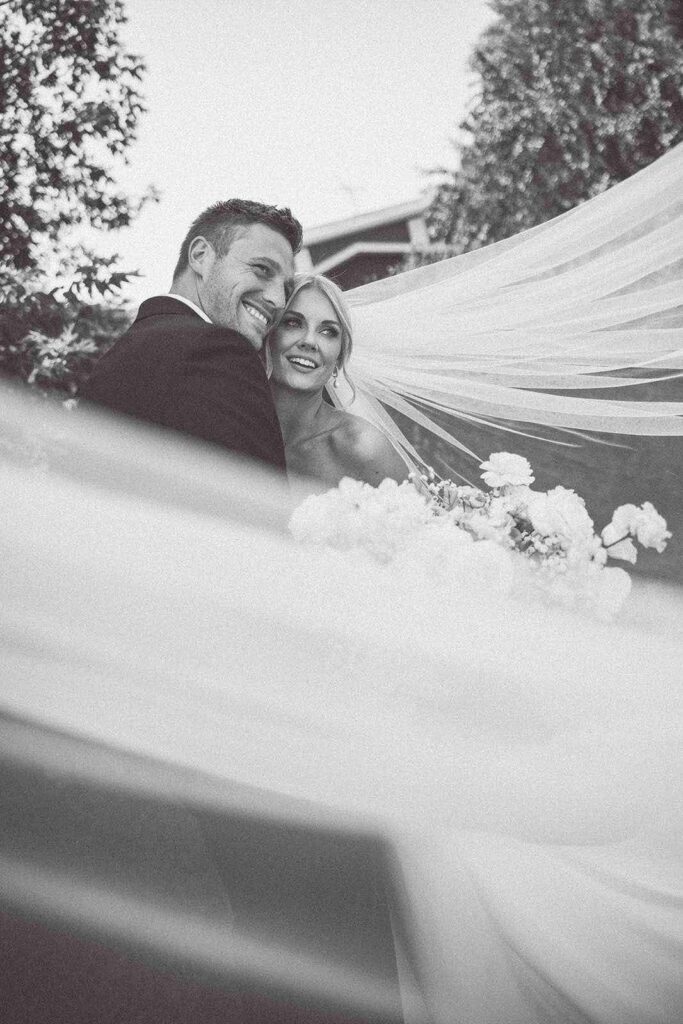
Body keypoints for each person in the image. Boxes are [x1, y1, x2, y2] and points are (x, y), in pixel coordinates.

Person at [80, 199, 302, 472]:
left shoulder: (123, 353)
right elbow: (261, 501)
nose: (279, 300)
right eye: (262, 270)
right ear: (200, 256)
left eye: (287, 289)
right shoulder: (218, 351)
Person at [267, 273, 409, 491]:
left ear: (339, 358)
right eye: (293, 323)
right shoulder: (234, 431)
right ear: (268, 334)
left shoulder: (363, 447)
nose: (310, 341)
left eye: (328, 332)